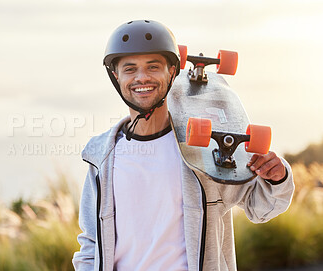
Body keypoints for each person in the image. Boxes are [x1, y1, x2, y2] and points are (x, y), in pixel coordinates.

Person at [72, 20, 294, 271]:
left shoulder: (203, 153)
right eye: (130, 69)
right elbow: (91, 243)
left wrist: (277, 177)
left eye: (153, 67)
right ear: (116, 76)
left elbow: (261, 208)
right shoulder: (102, 156)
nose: (141, 77)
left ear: (172, 72)